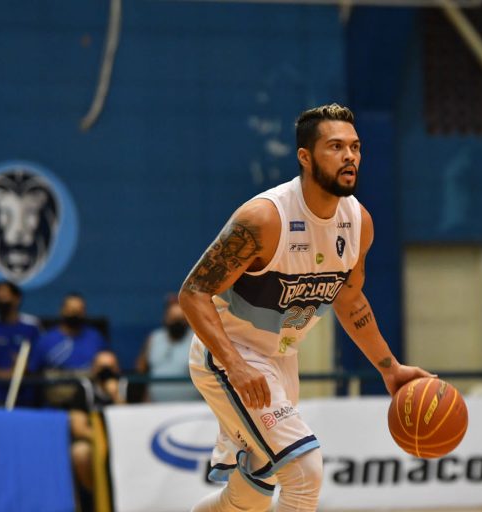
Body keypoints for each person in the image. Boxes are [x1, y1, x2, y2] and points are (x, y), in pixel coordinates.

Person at [179, 103, 432, 512]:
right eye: (335, 146)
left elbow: (350, 298)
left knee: (251, 495)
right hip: (231, 356)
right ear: (305, 156)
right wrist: (235, 365)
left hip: (281, 361)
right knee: (305, 473)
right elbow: (193, 292)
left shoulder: (358, 222)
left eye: (355, 147)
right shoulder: (264, 218)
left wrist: (390, 368)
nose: (350, 156)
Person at [29, 293, 109, 407]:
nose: (74, 314)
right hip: (55, 405)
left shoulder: (96, 338)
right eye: (71, 310)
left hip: (89, 404)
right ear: (62, 311)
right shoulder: (46, 340)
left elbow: (108, 367)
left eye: (78, 310)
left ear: (84, 312)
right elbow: (33, 372)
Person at [69, 351, 127, 509]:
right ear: (93, 369)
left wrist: (115, 395)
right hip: (94, 440)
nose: (106, 372)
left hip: (123, 442)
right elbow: (78, 428)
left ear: (118, 369)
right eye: (102, 368)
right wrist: (102, 439)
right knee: (80, 452)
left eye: (110, 367)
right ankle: (96, 496)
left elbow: (132, 422)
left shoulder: (126, 386)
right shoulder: (85, 388)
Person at [135, 295, 199, 402]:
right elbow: (142, 370)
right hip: (155, 406)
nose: (177, 324)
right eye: (173, 319)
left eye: (180, 320)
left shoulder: (197, 340)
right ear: (166, 319)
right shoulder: (154, 338)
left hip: (191, 406)